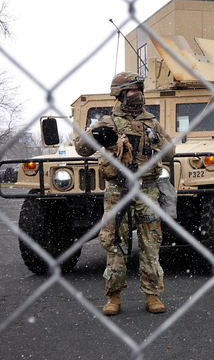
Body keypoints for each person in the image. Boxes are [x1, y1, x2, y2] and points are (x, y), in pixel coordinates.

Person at [75, 71, 174, 316]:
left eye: (139, 90)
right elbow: (81, 148)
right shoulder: (108, 121)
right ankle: (113, 296)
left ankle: (152, 295)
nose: (137, 95)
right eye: (131, 91)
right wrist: (96, 136)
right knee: (115, 245)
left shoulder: (152, 122)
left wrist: (156, 139)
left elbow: (170, 152)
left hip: (147, 190)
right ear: (120, 94)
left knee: (151, 245)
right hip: (117, 191)